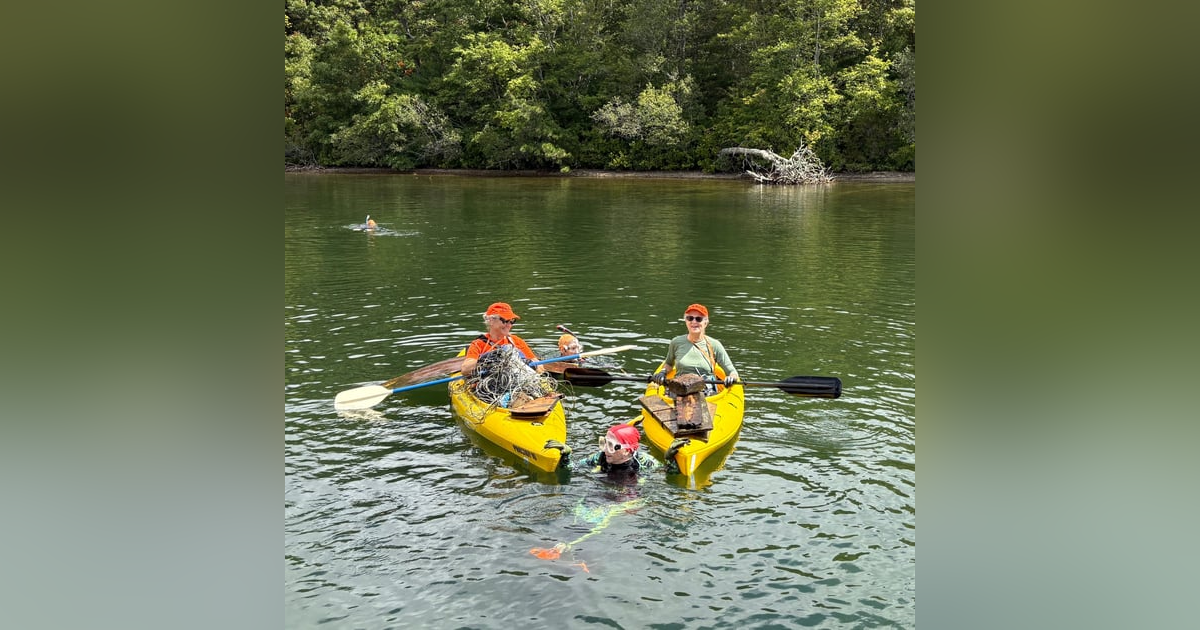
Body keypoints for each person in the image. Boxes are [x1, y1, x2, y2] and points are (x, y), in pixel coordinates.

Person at [649, 303, 740, 390]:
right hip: (679, 389)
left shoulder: (715, 345)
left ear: (706, 322)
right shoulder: (676, 342)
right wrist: (662, 372)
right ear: (686, 321)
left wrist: (731, 378)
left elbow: (732, 372)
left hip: (706, 390)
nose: (694, 322)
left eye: (698, 319)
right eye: (690, 318)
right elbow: (669, 364)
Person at [461, 302, 544, 376]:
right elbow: (465, 370)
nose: (509, 325)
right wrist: (488, 359)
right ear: (491, 321)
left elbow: (540, 367)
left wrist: (528, 364)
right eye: (505, 320)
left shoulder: (516, 341)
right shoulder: (478, 344)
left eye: (512, 321)